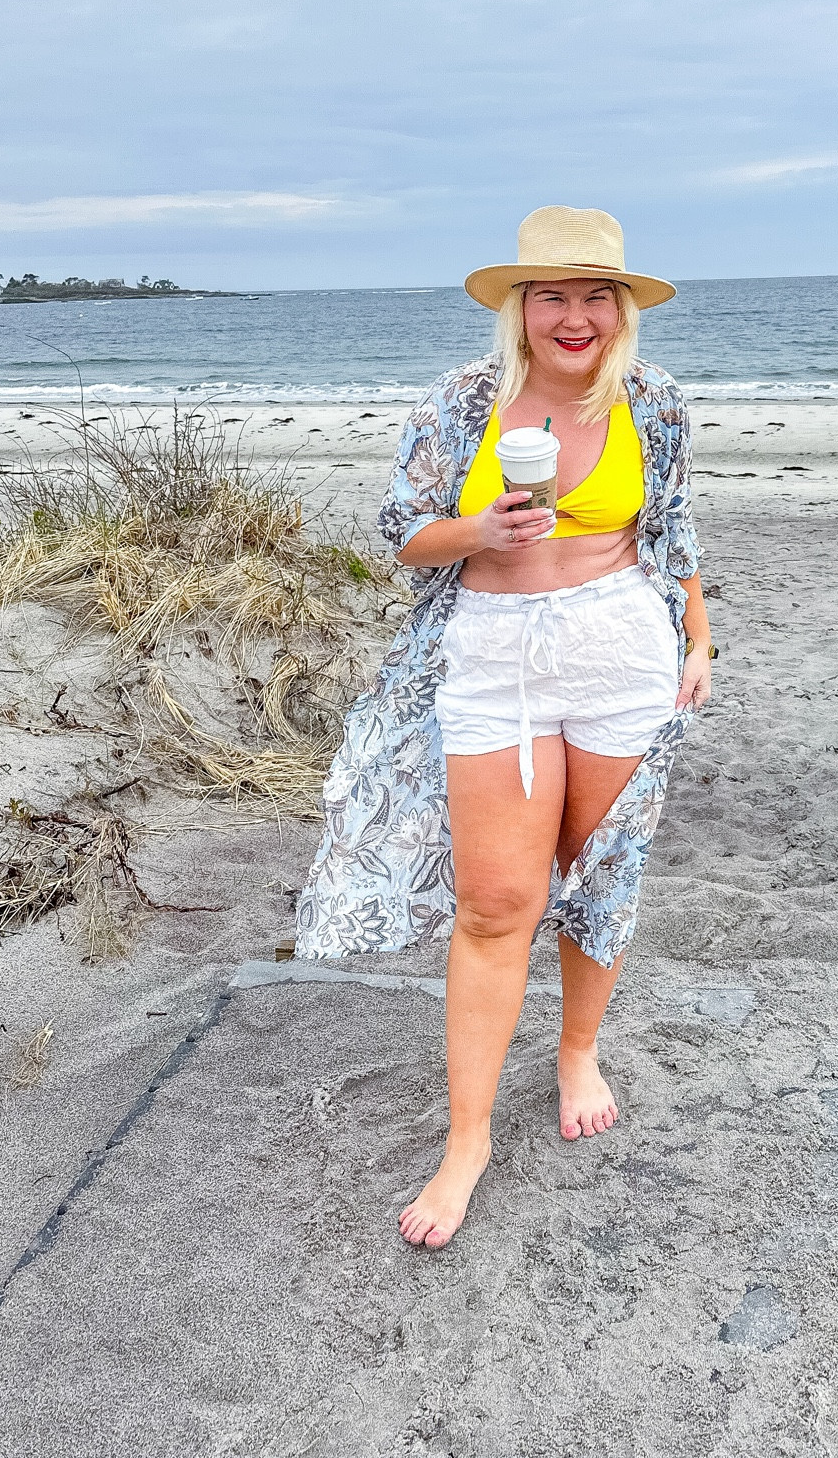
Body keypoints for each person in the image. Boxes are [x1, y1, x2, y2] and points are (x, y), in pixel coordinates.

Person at [295, 206, 713, 1247]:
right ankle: (467, 1139)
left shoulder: (655, 401)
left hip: (623, 648)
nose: (575, 317)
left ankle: (576, 1051)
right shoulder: (462, 400)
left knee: (599, 873)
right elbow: (404, 533)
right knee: (496, 903)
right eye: (551, 296)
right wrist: (479, 529)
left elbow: (672, 530)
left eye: (595, 297)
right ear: (520, 308)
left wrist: (699, 639)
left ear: (621, 310)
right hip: (492, 654)